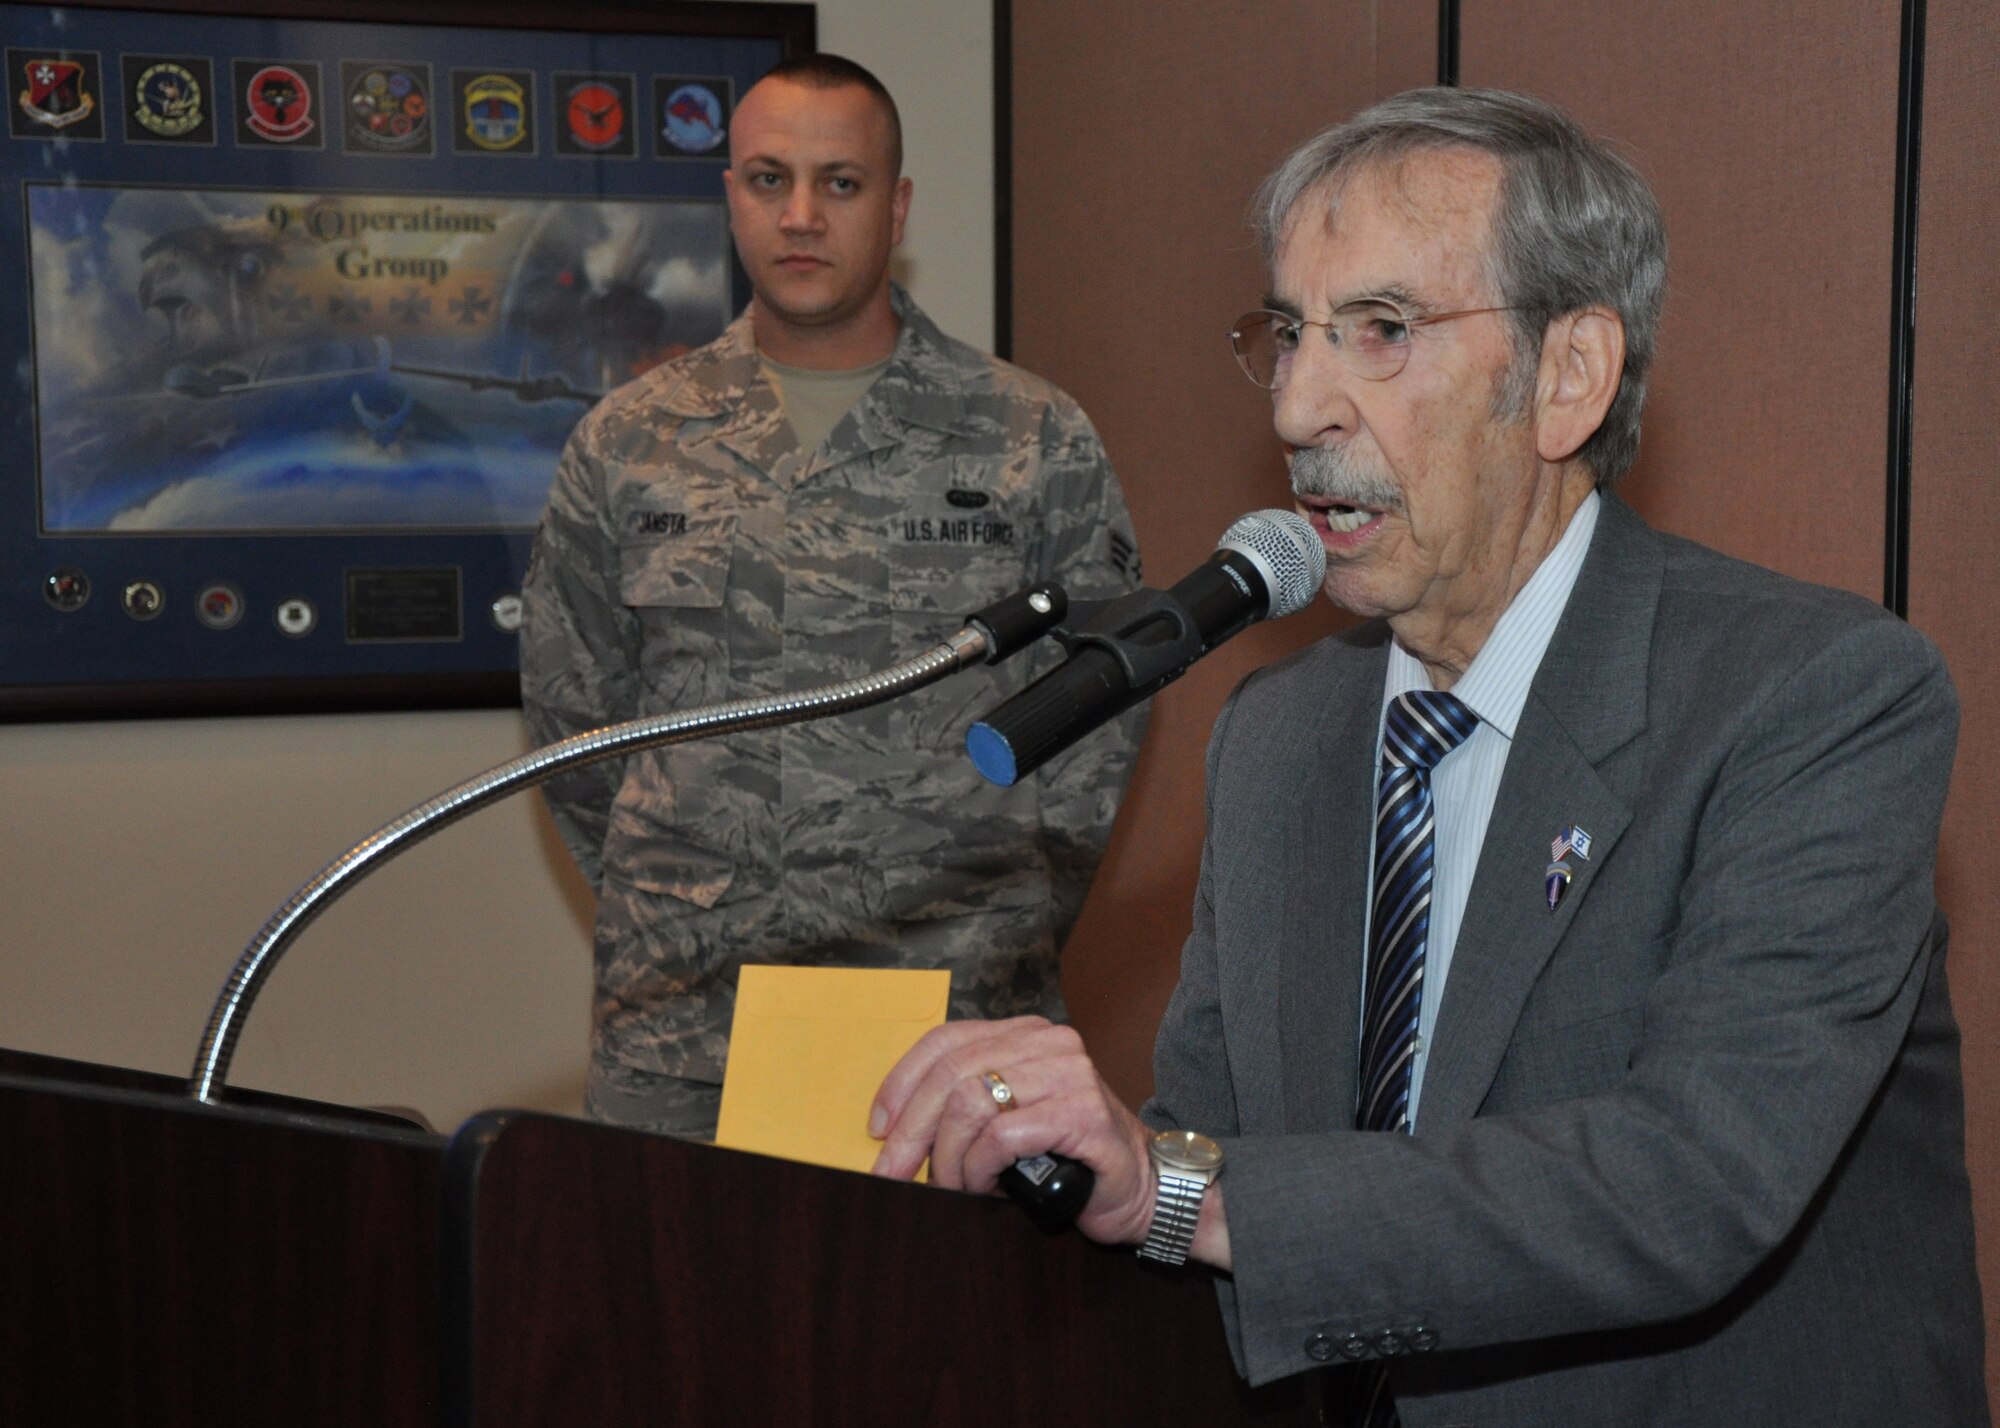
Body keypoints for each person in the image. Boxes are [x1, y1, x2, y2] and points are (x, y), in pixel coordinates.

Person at [870, 88, 1986, 1424]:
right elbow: (1209, 1160)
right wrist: (1075, 1166)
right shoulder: (1281, 737)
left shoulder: (1811, 696)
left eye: (1381, 332)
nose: (1297, 405)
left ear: (1566, 377)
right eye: (1289, 333)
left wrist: (1188, 1188)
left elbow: (1692, 1180)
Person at [521, 55, 1144, 1141]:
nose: (800, 215)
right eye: (769, 180)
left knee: (936, 1314)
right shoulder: (628, 441)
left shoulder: (1030, 436)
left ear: (895, 206)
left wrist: (991, 914)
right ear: (730, 197)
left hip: (949, 1011)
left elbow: (1099, 717)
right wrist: (690, 883)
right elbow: (575, 722)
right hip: (685, 1020)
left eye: (840, 184)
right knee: (662, 1307)